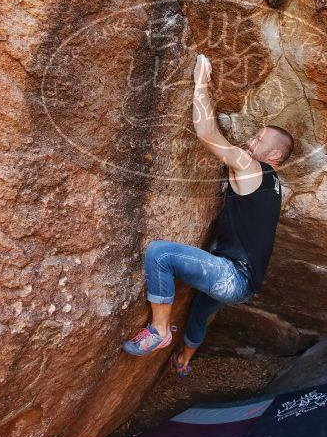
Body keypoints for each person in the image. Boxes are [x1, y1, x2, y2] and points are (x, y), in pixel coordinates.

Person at [121, 53, 294, 378]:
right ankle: (185, 360)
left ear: (273, 155)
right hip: (245, 282)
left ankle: (159, 332)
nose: (249, 141)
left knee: (160, 253)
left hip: (231, 276)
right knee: (201, 311)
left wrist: (201, 81)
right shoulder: (275, 186)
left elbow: (206, 133)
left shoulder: (251, 167)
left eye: (258, 140)